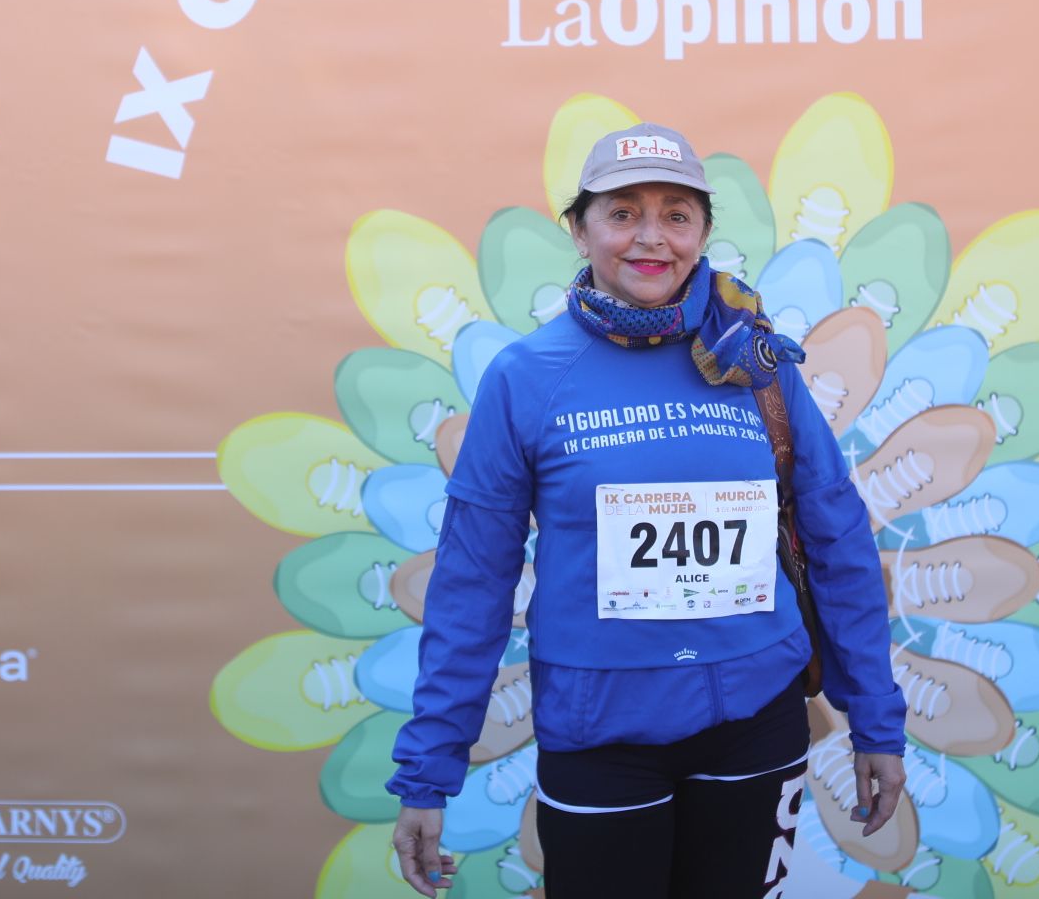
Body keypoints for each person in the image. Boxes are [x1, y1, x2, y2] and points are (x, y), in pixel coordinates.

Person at [387, 122, 907, 897]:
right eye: (623, 212)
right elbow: (472, 582)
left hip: (753, 727)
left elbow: (838, 546)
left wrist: (876, 722)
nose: (650, 238)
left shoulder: (755, 365)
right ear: (581, 227)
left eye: (676, 214)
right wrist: (429, 771)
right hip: (600, 733)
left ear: (701, 232)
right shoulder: (527, 378)